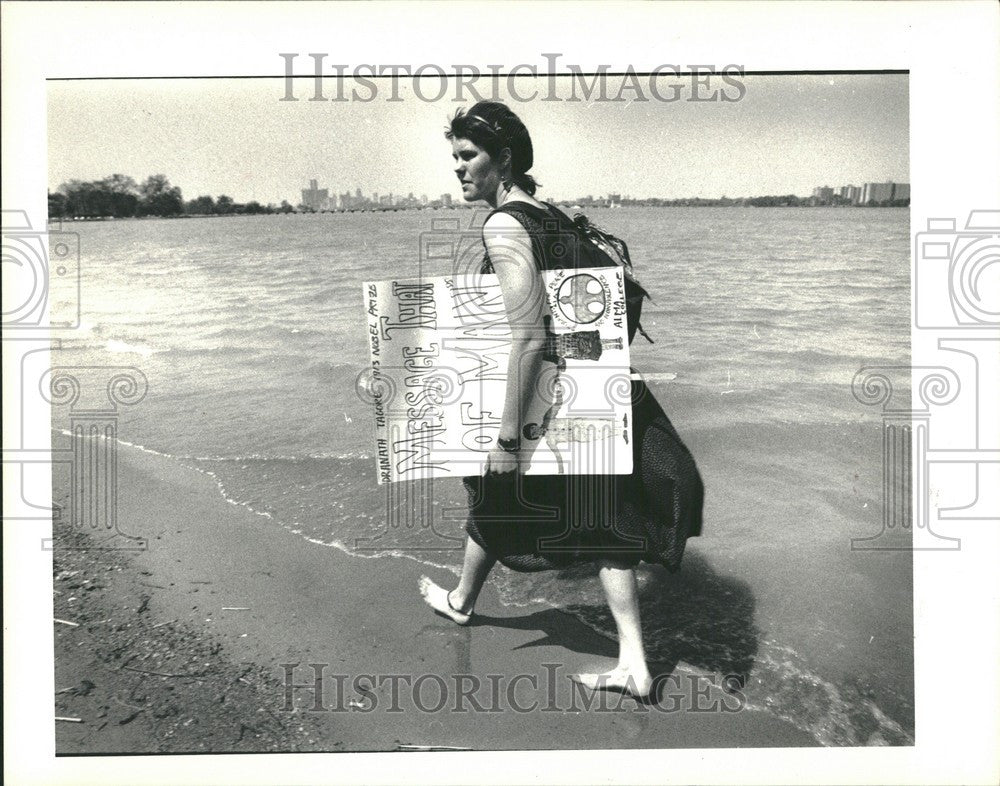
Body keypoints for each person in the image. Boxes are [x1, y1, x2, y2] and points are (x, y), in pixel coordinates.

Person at [419, 101, 703, 699]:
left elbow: (527, 336)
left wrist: (506, 437)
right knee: (587, 511)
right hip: (590, 389)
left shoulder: (503, 225)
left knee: (505, 482)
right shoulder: (553, 215)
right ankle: (469, 601)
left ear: (504, 159)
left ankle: (622, 658)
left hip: (550, 395)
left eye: (468, 157)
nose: (459, 169)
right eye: (455, 158)